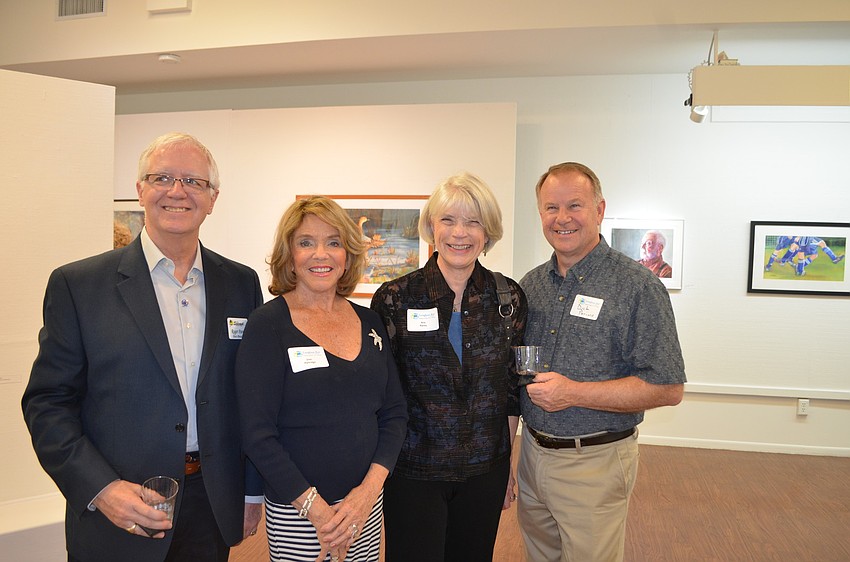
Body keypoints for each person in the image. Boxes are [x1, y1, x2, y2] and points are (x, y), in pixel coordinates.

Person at [21, 132, 264, 562]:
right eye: (162, 177)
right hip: (119, 513)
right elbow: (48, 404)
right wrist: (102, 489)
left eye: (193, 181)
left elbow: (250, 396)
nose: (177, 191)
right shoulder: (79, 286)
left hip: (210, 507)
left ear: (212, 198)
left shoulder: (241, 283)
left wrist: (249, 490)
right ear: (140, 190)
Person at [518, 162, 686, 562]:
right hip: (531, 456)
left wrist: (573, 393)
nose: (562, 219)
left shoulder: (638, 286)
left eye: (574, 205)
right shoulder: (530, 286)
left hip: (593, 461)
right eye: (550, 208)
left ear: (599, 209)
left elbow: (667, 387)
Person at [235, 196, 408, 562]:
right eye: (306, 242)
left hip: (364, 508)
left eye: (333, 242)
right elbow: (257, 433)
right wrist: (317, 510)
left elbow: (394, 413)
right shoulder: (268, 326)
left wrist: (366, 494)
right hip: (300, 513)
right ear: (289, 256)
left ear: (347, 254)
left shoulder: (370, 322)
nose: (321, 254)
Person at [371, 172, 528, 562]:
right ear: (431, 228)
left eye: (473, 221)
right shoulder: (395, 298)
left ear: (488, 232)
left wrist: (507, 462)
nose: (460, 233)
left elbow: (511, 393)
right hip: (413, 472)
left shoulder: (507, 298)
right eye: (448, 220)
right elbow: (383, 393)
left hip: (484, 472)